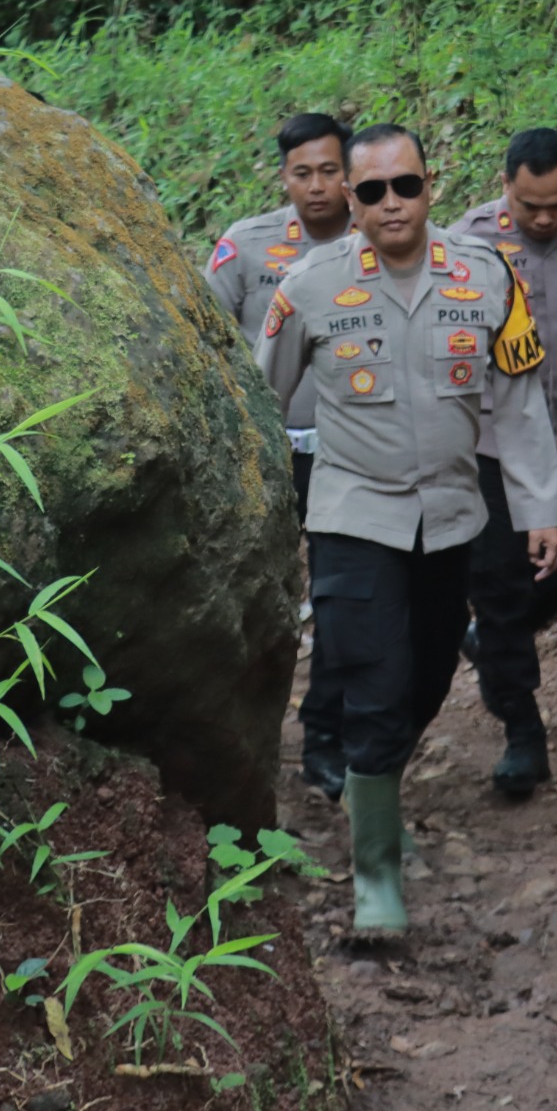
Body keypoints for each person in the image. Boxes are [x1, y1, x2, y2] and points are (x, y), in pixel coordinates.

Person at [259, 124, 557, 937]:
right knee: (372, 680)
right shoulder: (311, 286)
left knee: (426, 676)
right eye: (371, 191)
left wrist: (540, 509)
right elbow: (261, 402)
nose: (390, 204)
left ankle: (379, 789)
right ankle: (377, 882)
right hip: (353, 513)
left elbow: (522, 402)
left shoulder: (485, 276)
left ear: (432, 186)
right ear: (352, 202)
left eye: (406, 186)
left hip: (452, 517)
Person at [447, 127, 557, 800]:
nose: (543, 218)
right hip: (492, 445)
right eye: (529, 207)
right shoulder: (467, 242)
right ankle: (523, 732)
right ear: (505, 187)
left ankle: (491, 642)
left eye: (555, 205)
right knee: (497, 582)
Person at [205, 111, 354, 798]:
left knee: (338, 596)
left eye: (330, 171)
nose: (318, 186)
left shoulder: (375, 241)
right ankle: (238, 735)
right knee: (255, 593)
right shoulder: (248, 246)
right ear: (283, 176)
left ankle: (326, 737)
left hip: (350, 456)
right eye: (304, 173)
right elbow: (200, 337)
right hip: (263, 452)